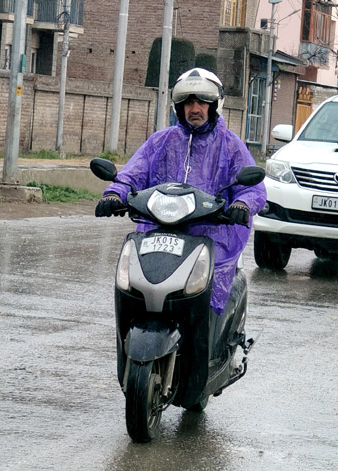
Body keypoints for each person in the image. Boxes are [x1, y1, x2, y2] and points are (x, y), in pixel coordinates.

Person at [95, 68, 267, 314]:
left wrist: (243, 204)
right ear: (179, 107)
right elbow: (132, 174)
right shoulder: (161, 141)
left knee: (206, 303)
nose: (194, 109)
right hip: (158, 234)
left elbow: (252, 188)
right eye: (188, 102)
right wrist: (114, 193)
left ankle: (211, 330)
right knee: (132, 289)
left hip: (212, 236)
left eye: (201, 102)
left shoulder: (230, 145)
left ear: (214, 105)